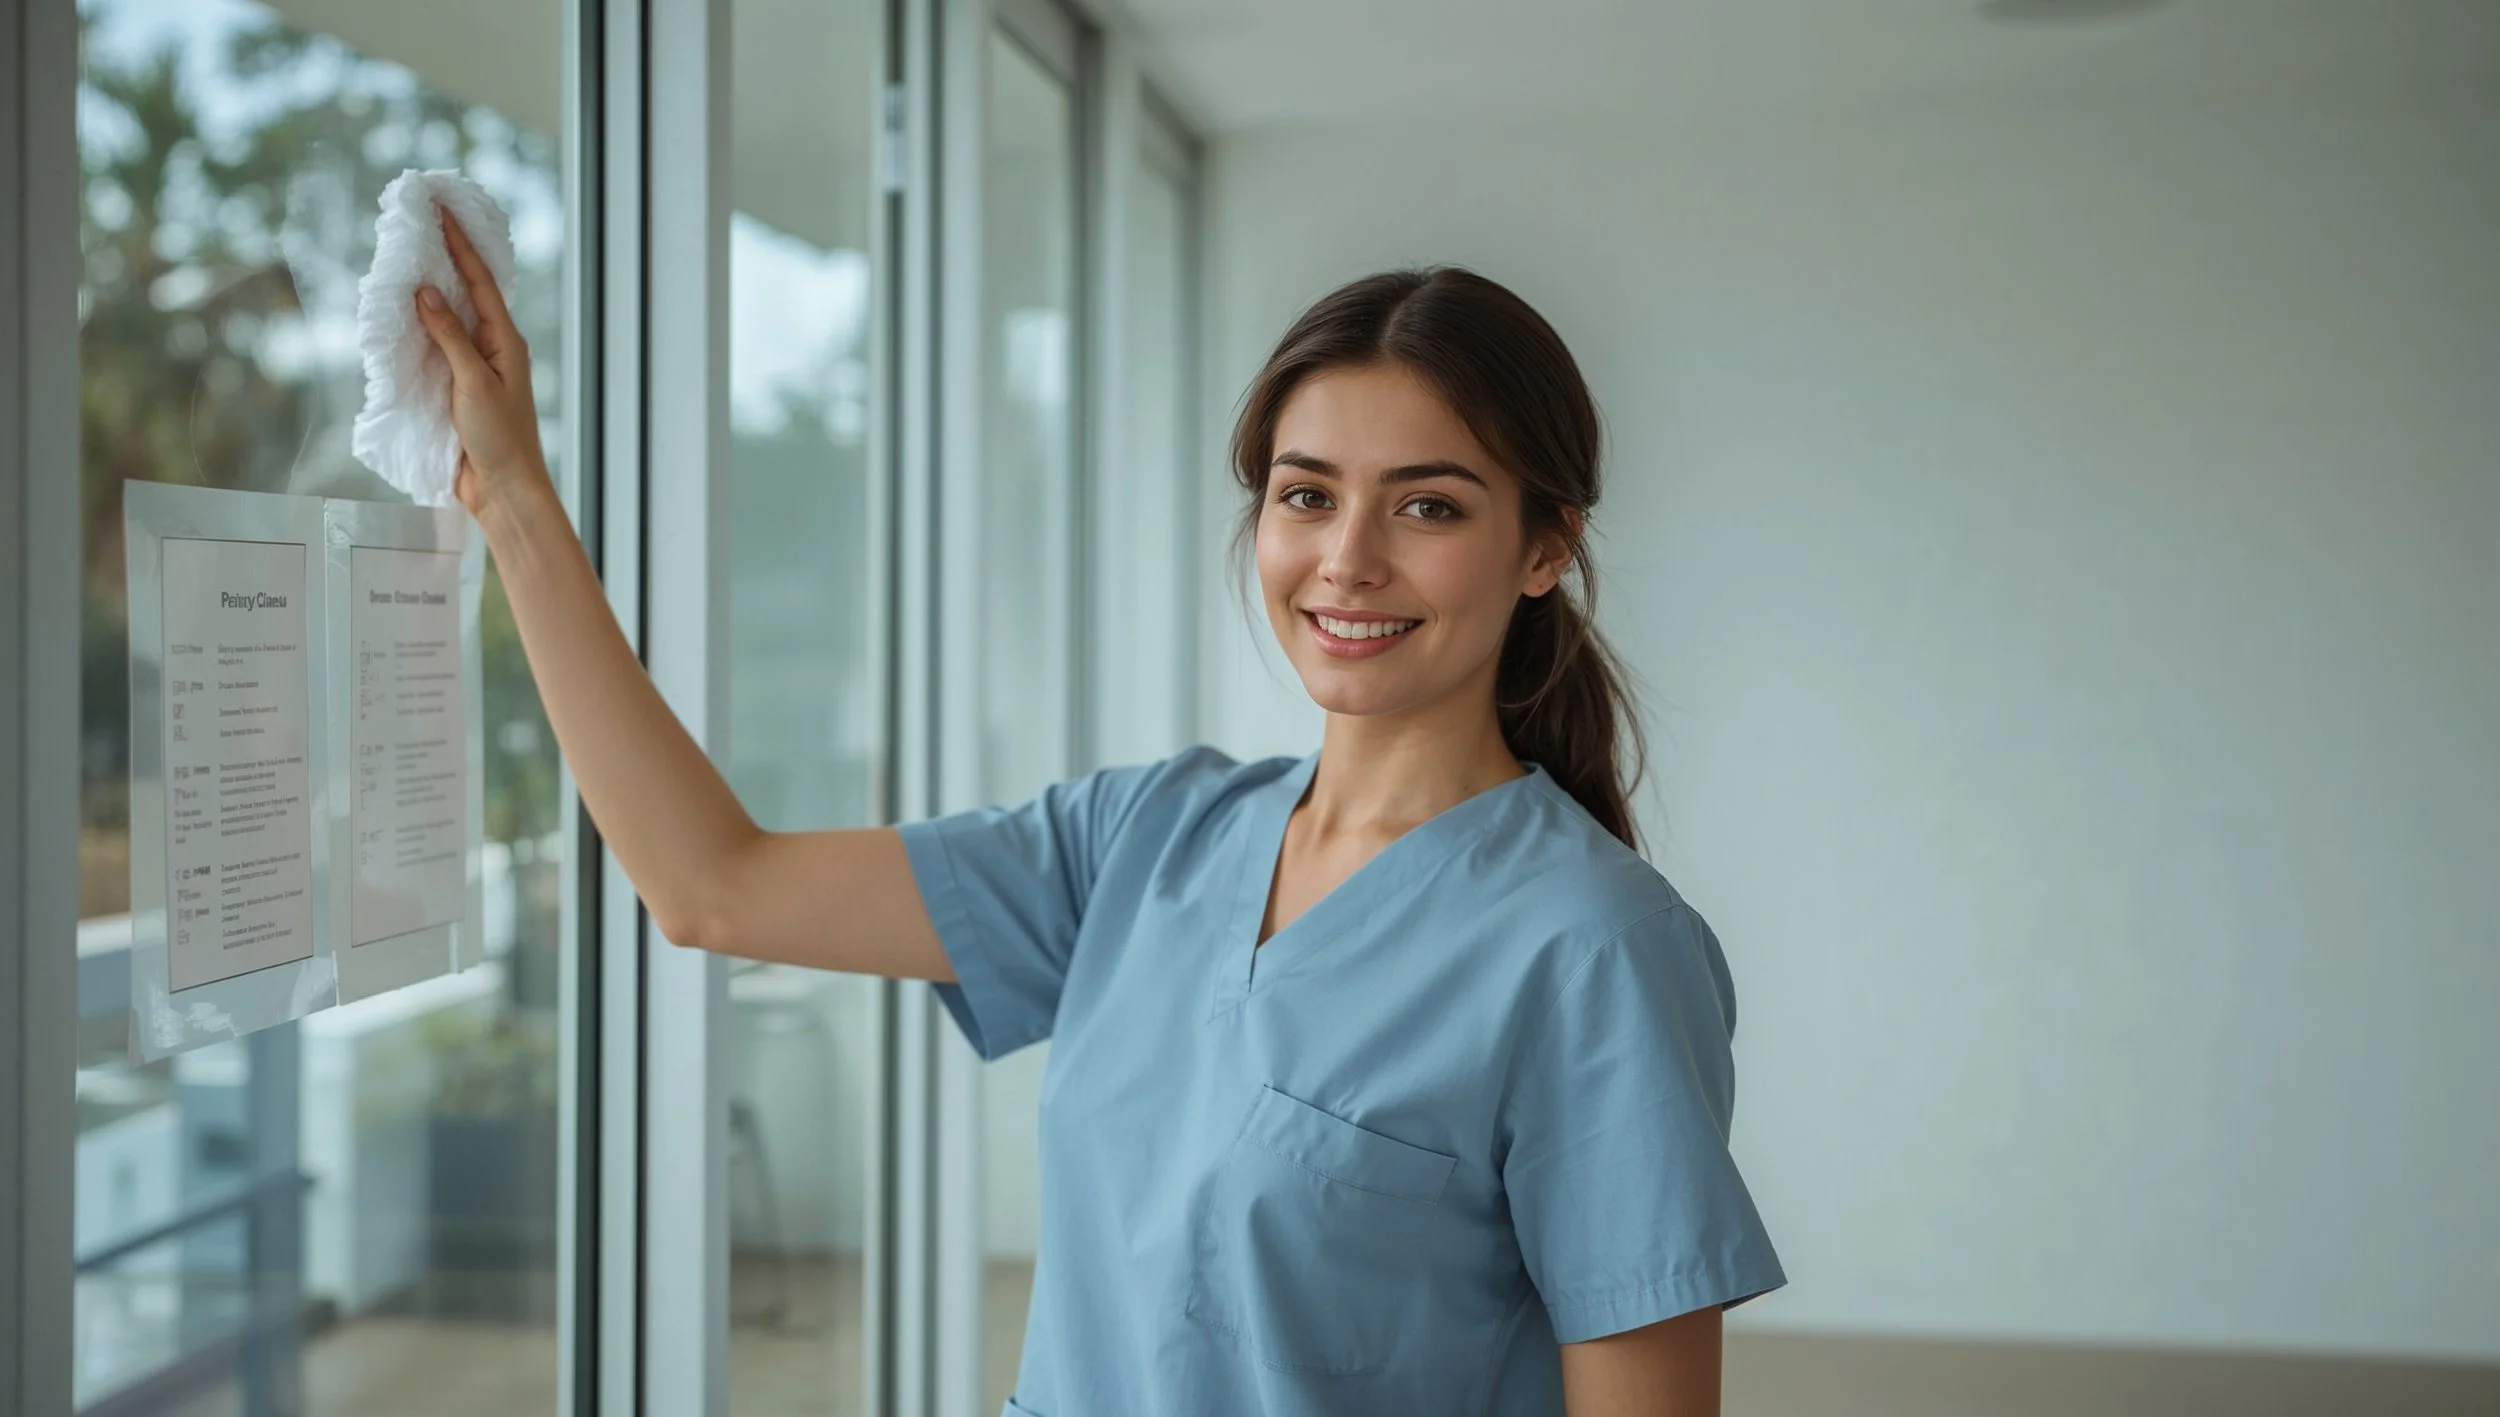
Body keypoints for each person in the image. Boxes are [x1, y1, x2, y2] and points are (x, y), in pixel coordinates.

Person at [416, 205, 1784, 1417]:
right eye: (1306, 496)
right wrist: (517, 502)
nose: (1347, 560)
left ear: (1545, 547)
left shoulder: (1594, 949)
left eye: (1428, 505)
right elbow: (714, 883)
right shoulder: (1149, 840)